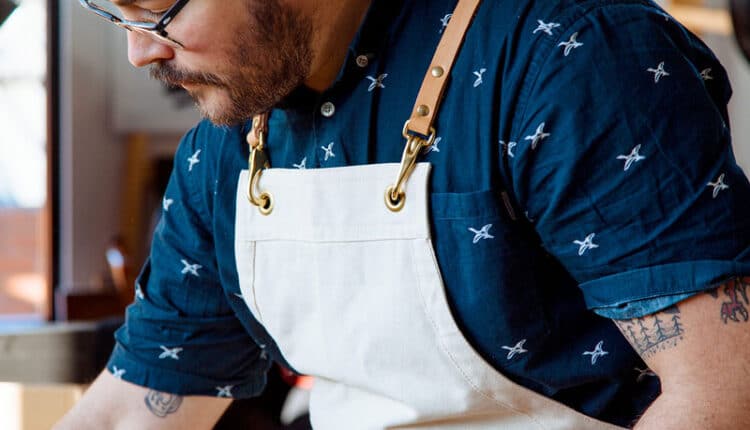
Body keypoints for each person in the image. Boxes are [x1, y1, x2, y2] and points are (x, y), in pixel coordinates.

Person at [56, 0, 750, 428]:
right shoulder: (225, 149)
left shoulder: (566, 60)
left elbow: (725, 397)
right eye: (116, 14)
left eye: (157, 9)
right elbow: (135, 409)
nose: (139, 49)